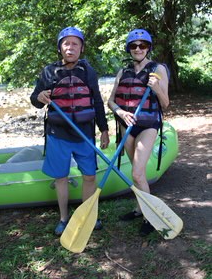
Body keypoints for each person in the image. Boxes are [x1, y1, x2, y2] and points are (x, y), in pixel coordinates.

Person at [30, 26, 109, 235]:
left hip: (84, 133)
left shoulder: (87, 71)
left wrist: (104, 129)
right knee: (61, 178)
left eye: (75, 43)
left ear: (81, 48)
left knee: (90, 176)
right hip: (58, 134)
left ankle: (88, 215)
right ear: (60, 48)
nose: (70, 47)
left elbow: (97, 101)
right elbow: (35, 99)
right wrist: (40, 97)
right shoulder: (49, 71)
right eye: (66, 43)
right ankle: (64, 218)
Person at [108, 28, 169, 236]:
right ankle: (139, 208)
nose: (138, 49)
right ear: (129, 49)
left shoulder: (158, 69)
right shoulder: (122, 72)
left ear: (148, 48)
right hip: (127, 125)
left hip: (148, 125)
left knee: (136, 172)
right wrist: (121, 112)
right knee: (137, 172)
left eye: (142, 45)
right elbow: (110, 101)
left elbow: (166, 103)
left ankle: (149, 216)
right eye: (134, 46)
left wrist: (157, 88)